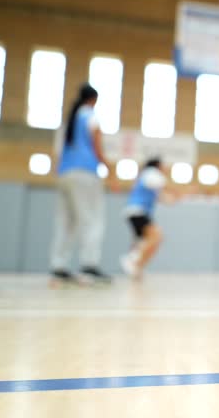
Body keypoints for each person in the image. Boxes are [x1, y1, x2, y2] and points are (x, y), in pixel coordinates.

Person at [50, 83, 114, 286]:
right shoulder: (90, 116)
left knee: (66, 221)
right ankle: (89, 266)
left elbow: (57, 153)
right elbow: (97, 145)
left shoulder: (68, 121)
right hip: (86, 174)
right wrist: (108, 166)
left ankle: (58, 266)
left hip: (65, 174)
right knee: (92, 219)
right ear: (93, 99)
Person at [119, 157, 183, 281]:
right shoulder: (151, 173)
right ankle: (132, 258)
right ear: (158, 165)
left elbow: (165, 199)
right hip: (137, 211)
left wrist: (177, 197)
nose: (165, 168)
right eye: (163, 165)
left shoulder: (150, 180)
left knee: (145, 242)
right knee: (156, 236)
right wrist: (179, 190)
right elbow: (164, 185)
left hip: (138, 213)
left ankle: (136, 266)